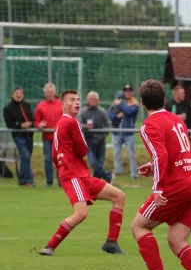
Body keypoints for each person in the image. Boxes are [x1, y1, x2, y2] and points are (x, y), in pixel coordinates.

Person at [131, 79, 191, 270]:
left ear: (142, 102)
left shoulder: (148, 125)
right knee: (176, 239)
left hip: (175, 188)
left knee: (138, 226)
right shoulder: (176, 120)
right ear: (165, 100)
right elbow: (175, 153)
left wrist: (157, 188)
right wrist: (153, 166)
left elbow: (162, 154)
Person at [38, 90, 126, 256]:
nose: (77, 102)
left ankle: (111, 242)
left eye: (78, 99)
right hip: (74, 176)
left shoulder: (60, 123)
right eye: (72, 100)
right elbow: (83, 150)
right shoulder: (72, 122)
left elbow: (54, 155)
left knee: (119, 196)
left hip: (80, 175)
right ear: (63, 104)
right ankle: (50, 246)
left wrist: (63, 166)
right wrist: (68, 168)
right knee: (81, 213)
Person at [78, 91, 113, 183]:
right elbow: (78, 125)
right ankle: (108, 176)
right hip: (89, 142)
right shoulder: (83, 112)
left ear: (98, 100)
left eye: (94, 99)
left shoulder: (102, 111)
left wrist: (104, 135)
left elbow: (108, 124)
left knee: (99, 165)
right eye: (90, 99)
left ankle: (96, 185)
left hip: (101, 142)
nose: (92, 100)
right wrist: (86, 127)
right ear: (87, 100)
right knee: (94, 163)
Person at [2, 87, 34, 186]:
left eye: (20, 93)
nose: (19, 95)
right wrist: (21, 125)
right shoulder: (8, 108)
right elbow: (9, 124)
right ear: (13, 95)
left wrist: (31, 124)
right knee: (25, 156)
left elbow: (32, 118)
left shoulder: (27, 105)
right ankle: (27, 180)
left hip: (29, 135)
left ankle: (22, 179)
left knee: (27, 158)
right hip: (18, 135)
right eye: (16, 93)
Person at [34, 83, 62, 187]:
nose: (49, 94)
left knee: (60, 159)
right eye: (47, 92)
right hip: (47, 138)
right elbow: (36, 121)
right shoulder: (40, 106)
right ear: (45, 94)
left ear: (54, 92)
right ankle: (49, 181)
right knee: (48, 159)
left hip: (60, 137)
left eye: (51, 92)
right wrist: (39, 125)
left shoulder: (61, 104)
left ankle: (61, 181)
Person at [109, 84, 139, 179]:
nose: (128, 92)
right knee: (116, 154)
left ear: (132, 92)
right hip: (117, 132)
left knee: (131, 155)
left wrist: (120, 103)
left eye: (130, 90)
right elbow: (110, 114)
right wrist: (117, 116)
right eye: (126, 91)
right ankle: (118, 172)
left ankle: (134, 174)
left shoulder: (134, 103)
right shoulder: (117, 102)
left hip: (128, 133)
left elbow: (129, 111)